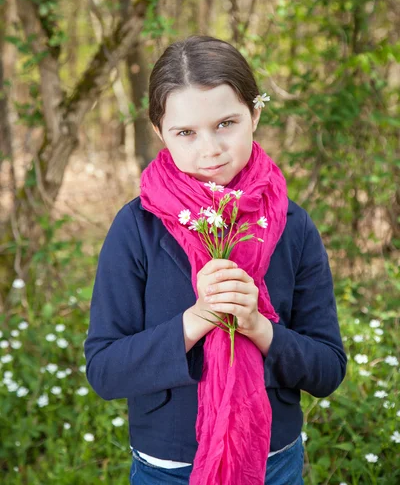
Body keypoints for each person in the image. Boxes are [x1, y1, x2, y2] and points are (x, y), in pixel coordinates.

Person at [84, 35, 347, 485]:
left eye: (226, 123)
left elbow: (327, 369)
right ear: (159, 134)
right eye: (185, 132)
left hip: (274, 462)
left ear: (255, 115)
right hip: (167, 469)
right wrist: (197, 319)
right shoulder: (136, 228)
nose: (210, 150)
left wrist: (258, 327)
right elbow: (105, 371)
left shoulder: (292, 224)